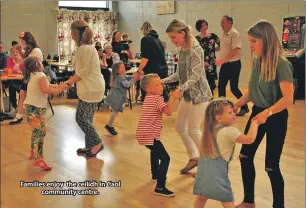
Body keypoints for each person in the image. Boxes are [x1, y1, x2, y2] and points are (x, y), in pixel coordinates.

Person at [234, 21, 294, 208]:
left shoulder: (282, 65)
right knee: (245, 157)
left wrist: (267, 113)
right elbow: (253, 90)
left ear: (266, 40)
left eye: (253, 41)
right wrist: (239, 102)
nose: (250, 45)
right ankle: (249, 201)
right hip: (258, 113)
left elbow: (288, 99)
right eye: (249, 41)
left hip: (275, 116)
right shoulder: (258, 60)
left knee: (271, 166)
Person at [163, 19, 213, 174]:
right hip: (188, 94)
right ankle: (194, 157)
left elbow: (195, 75)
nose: (172, 41)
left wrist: (180, 89)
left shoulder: (195, 49)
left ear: (182, 34)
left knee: (193, 129)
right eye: (170, 38)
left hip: (200, 95)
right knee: (179, 127)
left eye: (173, 37)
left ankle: (209, 163)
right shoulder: (182, 49)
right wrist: (162, 81)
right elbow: (179, 74)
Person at [193, 99, 262, 208]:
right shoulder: (229, 131)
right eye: (230, 112)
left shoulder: (210, 130)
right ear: (218, 118)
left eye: (233, 112)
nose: (234, 113)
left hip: (203, 172)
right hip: (218, 177)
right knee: (227, 202)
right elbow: (249, 139)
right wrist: (255, 123)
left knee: (201, 198)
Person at [59, 20, 105, 158]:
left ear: (76, 32)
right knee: (88, 118)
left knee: (81, 118)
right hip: (92, 86)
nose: (71, 34)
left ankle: (97, 143)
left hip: (91, 88)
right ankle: (90, 146)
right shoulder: (87, 47)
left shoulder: (84, 48)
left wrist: (66, 84)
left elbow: (82, 72)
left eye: (72, 31)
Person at [136, 73, 179, 197]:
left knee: (154, 152)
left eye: (160, 83)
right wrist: (172, 98)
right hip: (149, 134)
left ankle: (155, 174)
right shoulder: (157, 99)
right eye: (157, 84)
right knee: (165, 158)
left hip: (143, 133)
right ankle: (160, 187)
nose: (161, 86)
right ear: (148, 89)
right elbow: (169, 112)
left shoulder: (149, 97)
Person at [23, 56, 62, 170]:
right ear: (37, 65)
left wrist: (59, 86)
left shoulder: (33, 75)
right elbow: (45, 89)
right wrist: (58, 89)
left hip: (32, 108)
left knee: (37, 131)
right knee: (41, 132)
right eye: (40, 60)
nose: (42, 62)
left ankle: (32, 151)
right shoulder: (41, 75)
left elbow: (46, 86)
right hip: (35, 109)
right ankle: (38, 159)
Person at [216, 15, 249, 116]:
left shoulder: (234, 34)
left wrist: (222, 61)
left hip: (234, 65)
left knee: (234, 88)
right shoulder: (223, 34)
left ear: (230, 23)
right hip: (225, 65)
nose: (221, 24)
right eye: (221, 22)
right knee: (221, 86)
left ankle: (244, 107)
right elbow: (221, 48)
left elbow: (235, 50)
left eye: (223, 22)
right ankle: (223, 109)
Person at [9, 32, 43, 125]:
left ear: (28, 41)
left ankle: (26, 115)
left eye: (23, 41)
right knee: (22, 93)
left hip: (35, 78)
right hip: (29, 77)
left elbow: (30, 63)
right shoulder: (30, 50)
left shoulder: (36, 50)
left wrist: (19, 64)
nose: (22, 43)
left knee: (25, 95)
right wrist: (20, 52)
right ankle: (19, 115)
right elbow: (26, 58)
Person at [137, 21, 169, 102]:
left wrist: (138, 71)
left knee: (149, 93)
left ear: (143, 29)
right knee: (161, 95)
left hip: (152, 71)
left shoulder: (145, 39)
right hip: (163, 69)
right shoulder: (158, 40)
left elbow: (145, 58)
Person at [104, 62, 134, 135]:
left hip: (114, 96)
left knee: (115, 112)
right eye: (122, 68)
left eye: (124, 67)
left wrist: (133, 77)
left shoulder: (118, 75)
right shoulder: (120, 77)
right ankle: (109, 126)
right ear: (117, 70)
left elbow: (126, 76)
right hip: (117, 97)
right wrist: (135, 79)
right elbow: (127, 84)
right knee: (115, 112)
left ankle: (109, 125)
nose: (124, 69)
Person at [195, 19, 220, 95]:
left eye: (206, 25)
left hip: (211, 63)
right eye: (202, 25)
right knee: (202, 82)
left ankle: (210, 99)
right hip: (201, 63)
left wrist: (213, 50)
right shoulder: (196, 39)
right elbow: (195, 51)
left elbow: (221, 46)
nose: (205, 26)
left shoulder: (213, 36)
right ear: (199, 27)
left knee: (211, 83)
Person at [6, 45, 24, 115]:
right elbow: (10, 70)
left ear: (19, 52)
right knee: (11, 91)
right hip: (13, 80)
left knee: (22, 93)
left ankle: (20, 108)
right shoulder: (9, 60)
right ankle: (15, 107)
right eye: (13, 52)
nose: (15, 53)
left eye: (17, 52)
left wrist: (17, 70)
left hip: (22, 80)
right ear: (11, 53)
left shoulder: (22, 60)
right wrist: (18, 70)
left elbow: (24, 70)